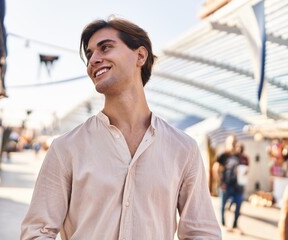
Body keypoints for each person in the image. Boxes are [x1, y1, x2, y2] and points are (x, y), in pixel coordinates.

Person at [21, 16, 221, 239]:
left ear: (140, 55)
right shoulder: (66, 148)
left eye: (105, 48)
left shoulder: (183, 149)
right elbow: (37, 231)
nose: (93, 60)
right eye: (89, 55)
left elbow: (202, 232)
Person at [217, 134, 243, 230]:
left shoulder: (238, 156)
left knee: (239, 204)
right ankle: (223, 224)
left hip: (237, 186)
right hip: (226, 185)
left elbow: (241, 169)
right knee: (223, 206)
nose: (233, 144)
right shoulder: (223, 156)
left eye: (234, 142)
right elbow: (216, 169)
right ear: (227, 143)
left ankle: (235, 224)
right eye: (231, 142)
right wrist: (221, 183)